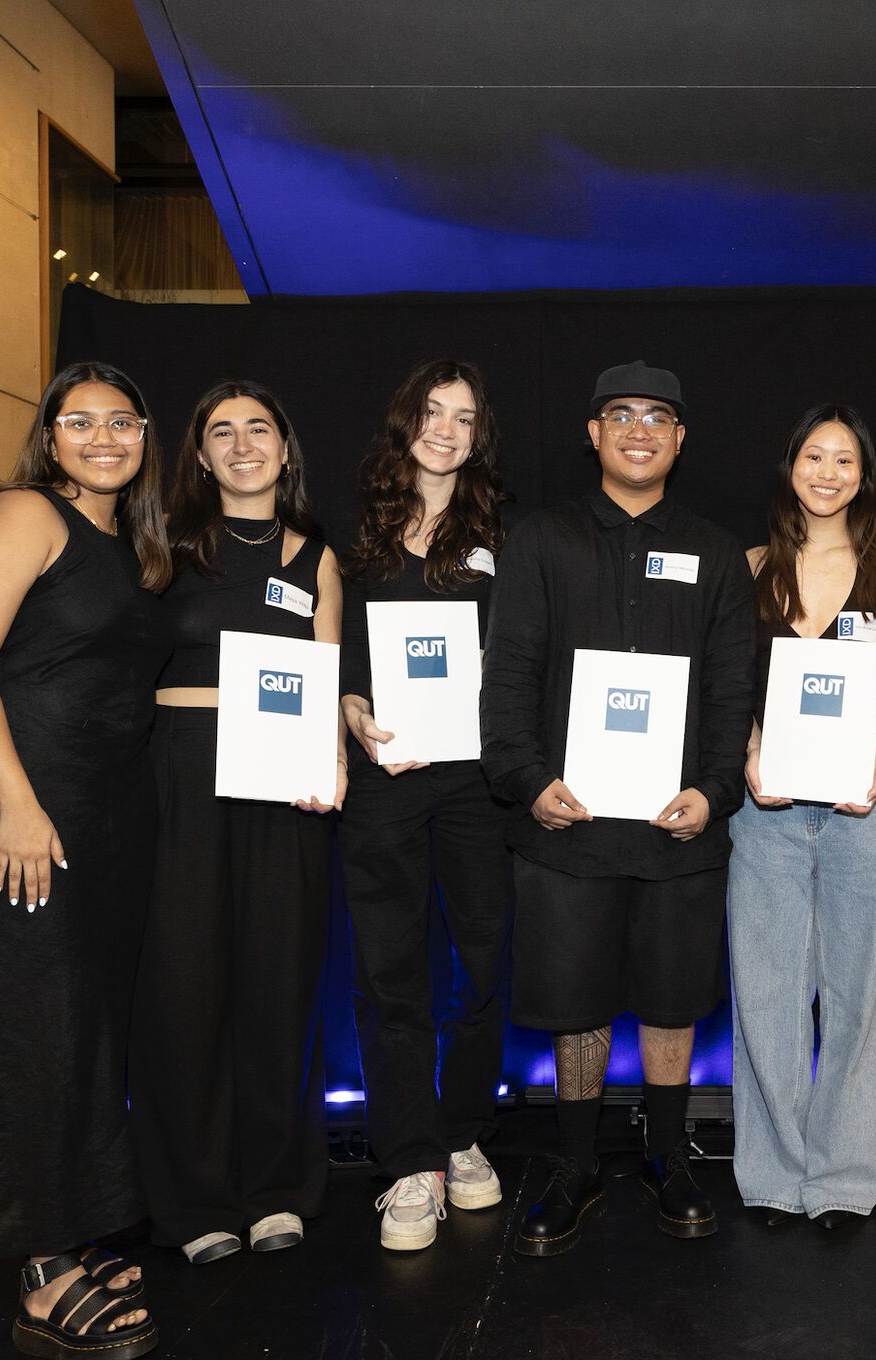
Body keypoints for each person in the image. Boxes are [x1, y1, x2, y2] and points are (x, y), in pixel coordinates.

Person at [0, 361, 169, 1357]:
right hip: (15, 812)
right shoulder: (23, 513)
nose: (104, 438)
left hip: (96, 818)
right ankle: (39, 1273)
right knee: (25, 1023)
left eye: (123, 421)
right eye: (81, 421)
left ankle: (71, 1226)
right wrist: (16, 801)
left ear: (145, 436)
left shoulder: (127, 543)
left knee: (81, 1026)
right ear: (49, 436)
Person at [481, 360, 757, 1256]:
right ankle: (574, 1165)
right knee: (576, 1002)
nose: (640, 430)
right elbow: (510, 671)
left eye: (659, 418)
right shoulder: (541, 540)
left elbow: (730, 687)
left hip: (679, 823)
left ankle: (668, 1156)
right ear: (592, 433)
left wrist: (716, 791)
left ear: (681, 440)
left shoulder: (717, 552)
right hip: (569, 822)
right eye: (620, 414)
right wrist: (526, 782)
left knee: (672, 998)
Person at [131, 380, 342, 1265]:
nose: (243, 443)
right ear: (201, 454)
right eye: (222, 431)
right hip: (178, 773)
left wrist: (329, 763)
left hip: (282, 784)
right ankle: (191, 1200)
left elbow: (327, 678)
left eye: (260, 427)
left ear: (286, 449)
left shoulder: (316, 557)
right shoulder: (160, 546)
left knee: (280, 978)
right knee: (183, 988)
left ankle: (277, 1187)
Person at [731, 405, 876, 1228]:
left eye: (844, 460)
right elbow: (728, 688)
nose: (827, 473)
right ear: (790, 467)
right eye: (814, 456)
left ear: (863, 476)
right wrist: (749, 754)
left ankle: (846, 1177)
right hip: (768, 812)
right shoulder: (748, 567)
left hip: (864, 807)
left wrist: (873, 758)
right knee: (768, 995)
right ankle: (774, 1176)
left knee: (858, 997)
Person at [339, 360, 514, 1252]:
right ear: (405, 420)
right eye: (433, 412)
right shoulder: (355, 530)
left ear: (481, 435)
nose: (447, 429)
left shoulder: (501, 532)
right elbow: (331, 650)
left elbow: (526, 655)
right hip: (386, 777)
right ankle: (410, 1158)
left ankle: (462, 1132)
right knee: (388, 969)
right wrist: (347, 704)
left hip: (478, 783)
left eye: (466, 417)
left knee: (481, 962)